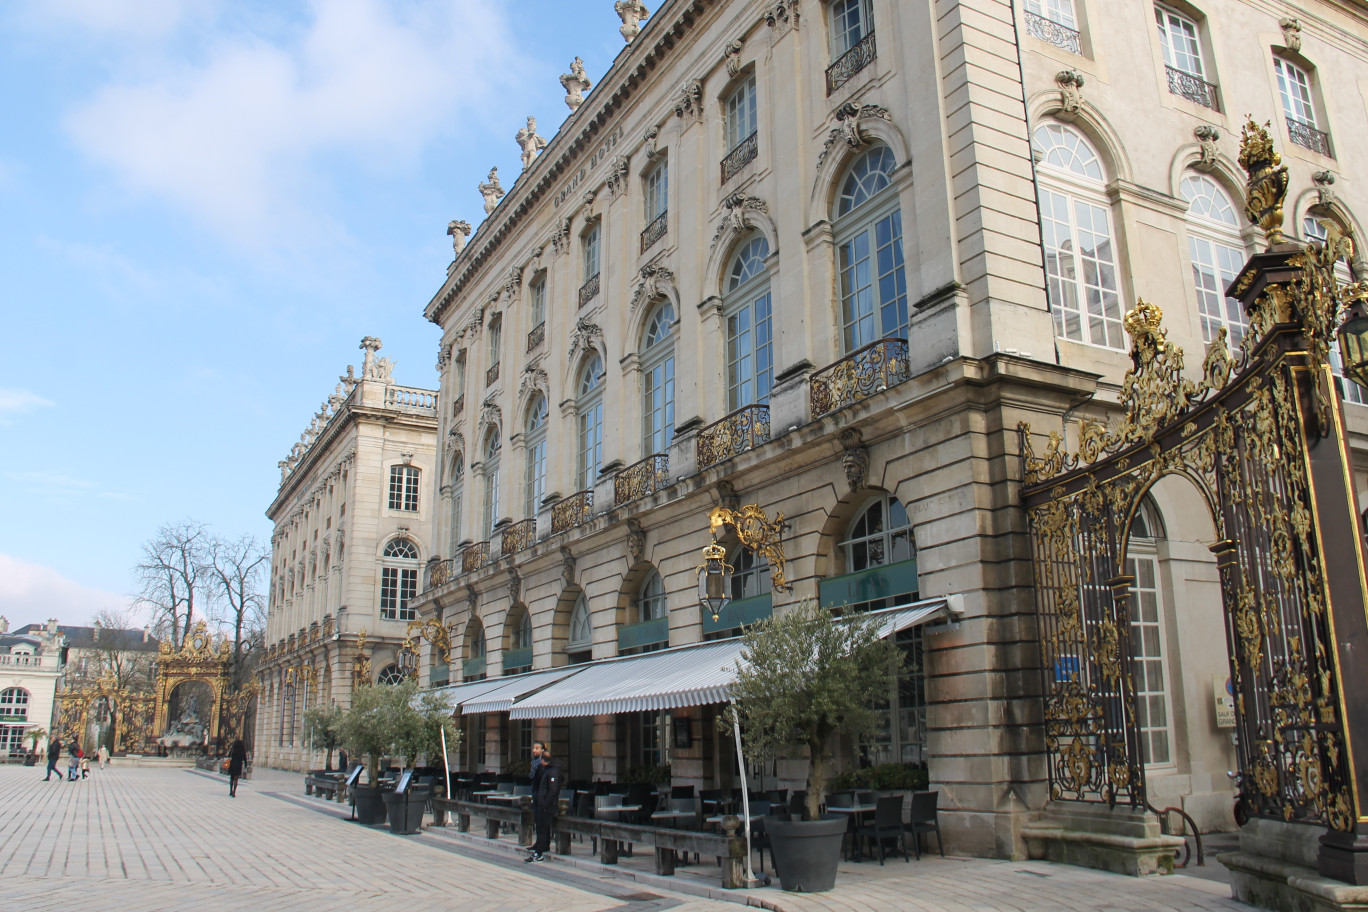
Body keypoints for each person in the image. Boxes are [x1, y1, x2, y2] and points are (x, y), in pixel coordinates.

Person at [524, 742, 562, 863]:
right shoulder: (546, 769)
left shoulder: (552, 772)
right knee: (540, 826)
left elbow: (553, 790)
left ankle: (539, 852)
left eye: (537, 748)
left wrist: (545, 803)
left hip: (547, 805)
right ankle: (539, 848)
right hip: (542, 802)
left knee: (542, 827)